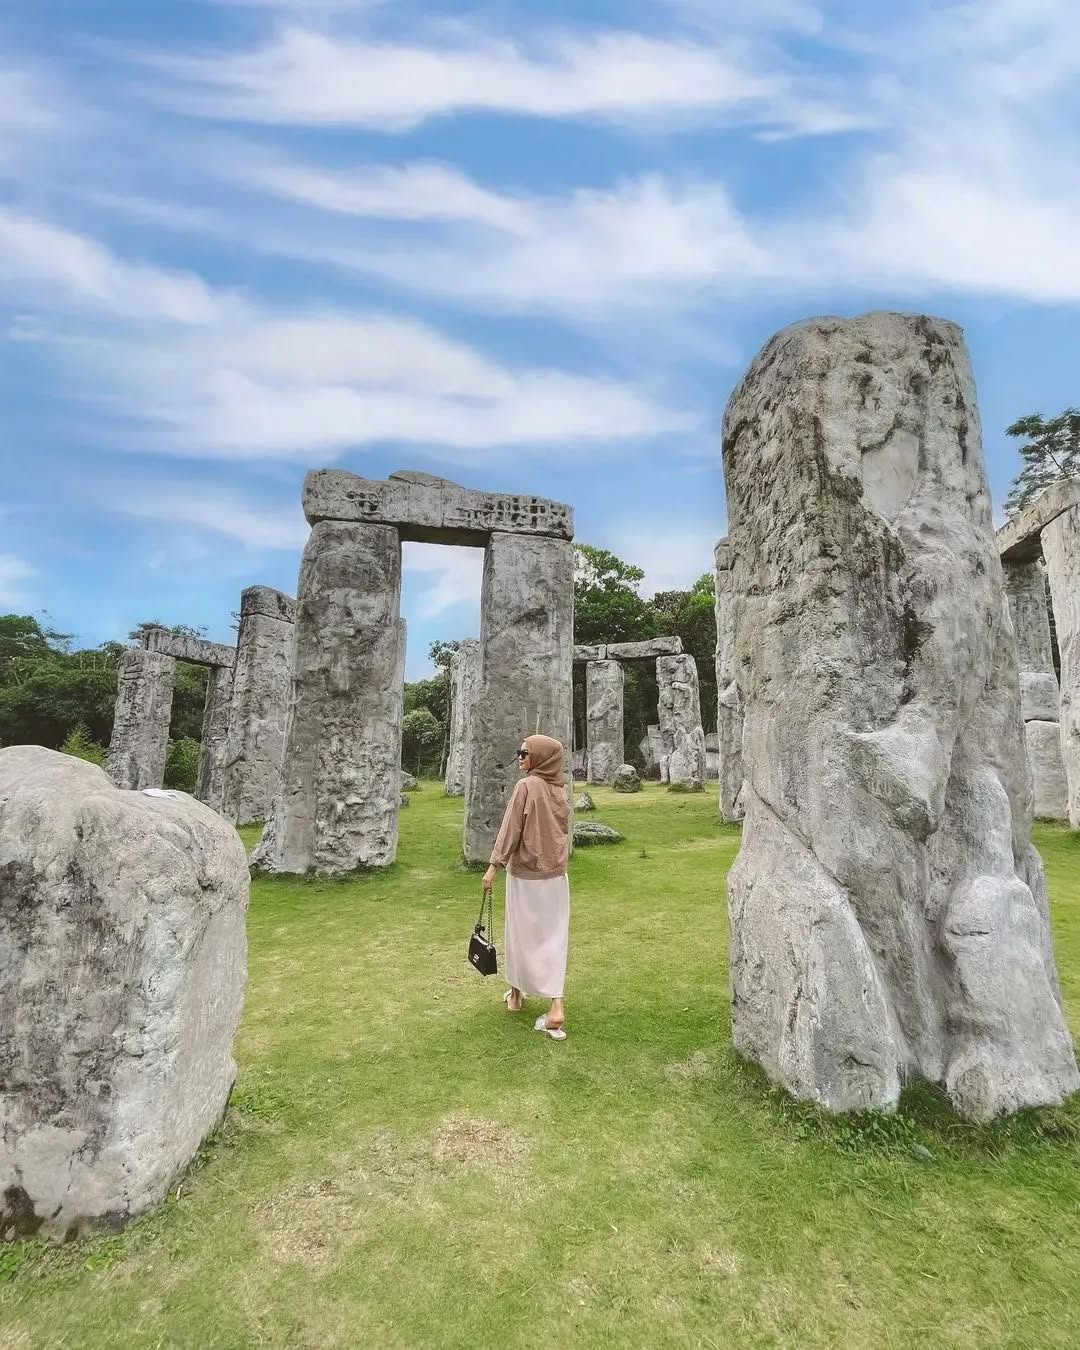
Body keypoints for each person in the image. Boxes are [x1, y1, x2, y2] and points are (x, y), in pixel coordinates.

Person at [482, 733, 571, 1040]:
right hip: (557, 878)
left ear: (541, 758)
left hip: (527, 877)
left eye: (525, 753)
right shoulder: (559, 790)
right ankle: (550, 1003)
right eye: (519, 752)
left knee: (520, 936)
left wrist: (493, 866)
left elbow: (510, 829)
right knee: (552, 939)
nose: (519, 757)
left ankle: (519, 996)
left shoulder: (526, 786)